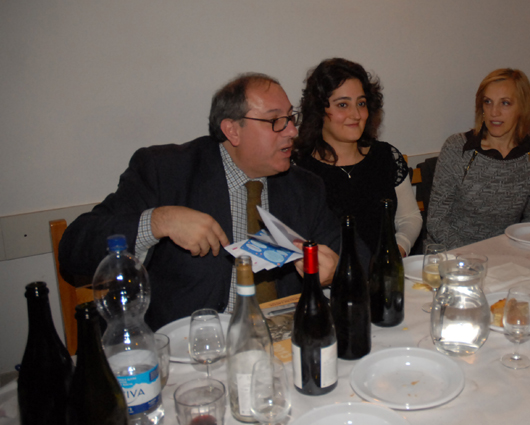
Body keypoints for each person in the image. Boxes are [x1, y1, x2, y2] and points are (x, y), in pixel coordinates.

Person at [59, 73, 370, 330]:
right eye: (276, 120)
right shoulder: (165, 171)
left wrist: (336, 270)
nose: (292, 131)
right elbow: (73, 249)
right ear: (232, 130)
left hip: (281, 344)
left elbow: (362, 261)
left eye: (291, 118)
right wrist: (159, 221)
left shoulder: (304, 187)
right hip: (191, 350)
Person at [293, 58, 422, 256]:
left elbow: (409, 217)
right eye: (342, 104)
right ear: (319, 110)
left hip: (385, 270)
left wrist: (395, 253)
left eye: (361, 103)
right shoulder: (299, 169)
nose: (356, 114)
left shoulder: (386, 156)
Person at [426, 68, 530, 249]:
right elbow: (436, 221)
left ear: (522, 108)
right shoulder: (458, 148)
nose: (494, 112)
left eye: (505, 103)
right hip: (453, 253)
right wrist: (474, 257)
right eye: (488, 102)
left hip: (507, 255)